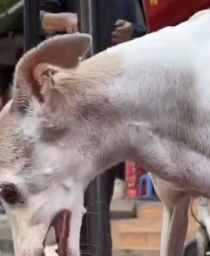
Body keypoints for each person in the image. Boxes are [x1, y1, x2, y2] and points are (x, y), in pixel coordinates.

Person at [39, 0, 147, 201]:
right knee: (68, 189)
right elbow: (33, 20)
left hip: (111, 94)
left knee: (101, 186)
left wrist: (133, 31)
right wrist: (64, 22)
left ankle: (100, 231)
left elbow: (144, 31)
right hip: (69, 93)